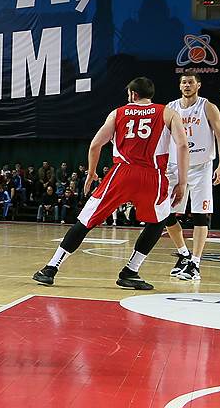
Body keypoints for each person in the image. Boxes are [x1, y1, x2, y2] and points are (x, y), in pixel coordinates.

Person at [32, 77, 188, 290]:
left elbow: (96, 144)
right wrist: (182, 182)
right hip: (153, 176)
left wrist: (91, 173)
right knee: (159, 220)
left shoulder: (118, 113)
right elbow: (183, 146)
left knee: (86, 220)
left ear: (133, 94)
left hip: (122, 173)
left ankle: (51, 268)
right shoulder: (168, 113)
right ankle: (131, 271)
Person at [164, 70, 220, 281]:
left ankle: (196, 264)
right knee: (167, 214)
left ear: (198, 85)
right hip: (175, 166)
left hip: (201, 166)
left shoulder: (207, 107)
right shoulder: (170, 108)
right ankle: (184, 254)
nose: (187, 85)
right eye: (183, 82)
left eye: (190, 82)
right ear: (179, 85)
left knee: (201, 215)